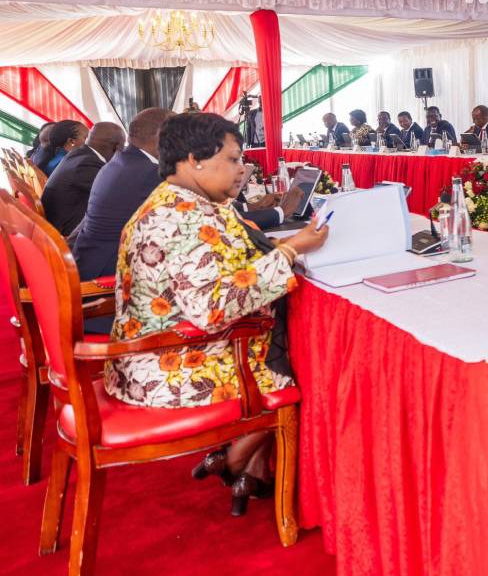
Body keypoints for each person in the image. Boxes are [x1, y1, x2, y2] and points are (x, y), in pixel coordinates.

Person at [106, 112, 328, 514]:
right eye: (233, 159)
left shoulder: (188, 200)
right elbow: (215, 305)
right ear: (195, 159)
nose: (241, 170)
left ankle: (250, 468)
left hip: (158, 348)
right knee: (310, 361)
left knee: (281, 339)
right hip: (167, 364)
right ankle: (241, 459)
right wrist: (293, 250)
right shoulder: (179, 216)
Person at [71, 108, 173, 282]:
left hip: (89, 261)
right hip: (108, 274)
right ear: (164, 137)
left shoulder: (121, 161)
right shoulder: (147, 173)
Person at [40, 122, 126, 236]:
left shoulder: (80, 155)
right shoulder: (87, 164)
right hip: (67, 234)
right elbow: (116, 195)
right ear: (118, 148)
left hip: (59, 225)